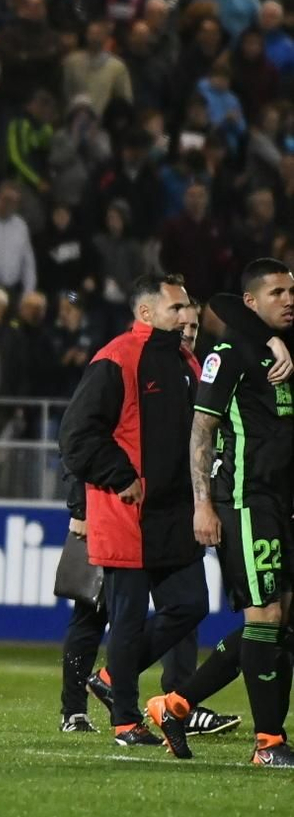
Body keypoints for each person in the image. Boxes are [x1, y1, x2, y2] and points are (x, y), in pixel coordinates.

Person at [147, 261, 294, 766]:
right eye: (277, 292)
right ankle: (269, 743)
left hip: (280, 503)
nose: (289, 299)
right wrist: (202, 504)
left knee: (280, 624)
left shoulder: (281, 356)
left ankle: (177, 705)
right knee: (266, 615)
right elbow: (202, 431)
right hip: (243, 499)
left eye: (291, 291)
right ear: (252, 302)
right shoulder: (227, 355)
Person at [59, 274, 207, 748]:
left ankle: (108, 675)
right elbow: (77, 436)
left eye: (186, 309)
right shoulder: (117, 357)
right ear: (146, 314)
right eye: (177, 308)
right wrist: (122, 477)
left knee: (190, 605)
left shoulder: (186, 361)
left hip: (174, 514)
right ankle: (125, 721)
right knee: (124, 618)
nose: (186, 316)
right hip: (129, 514)